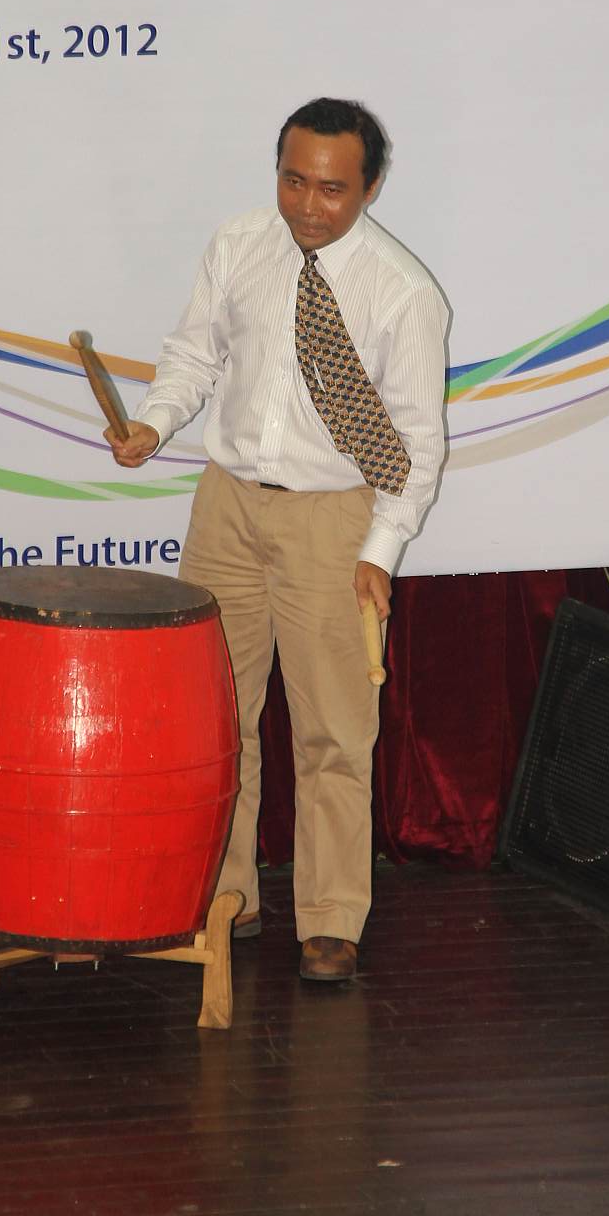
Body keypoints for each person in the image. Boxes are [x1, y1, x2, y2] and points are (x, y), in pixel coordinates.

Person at [104, 97, 448, 981]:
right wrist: (153, 424)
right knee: (216, 717)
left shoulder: (403, 293)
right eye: (293, 181)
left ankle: (330, 916)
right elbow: (193, 356)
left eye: (331, 189)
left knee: (334, 728)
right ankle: (228, 897)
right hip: (225, 506)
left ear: (371, 187)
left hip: (332, 518)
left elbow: (417, 440)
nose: (308, 206)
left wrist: (380, 550)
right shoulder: (239, 244)